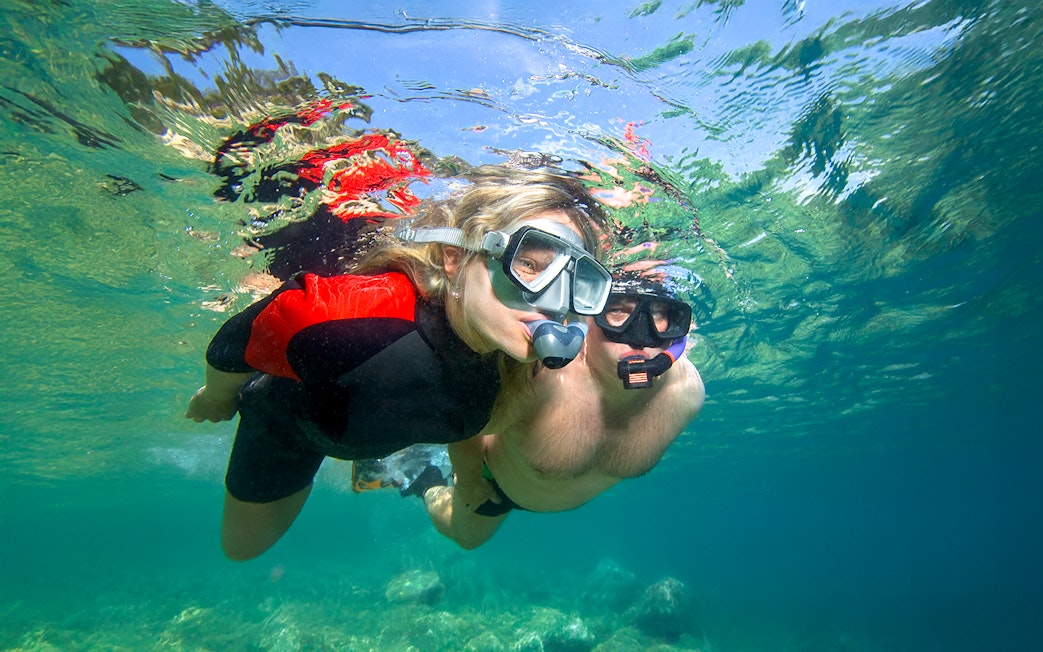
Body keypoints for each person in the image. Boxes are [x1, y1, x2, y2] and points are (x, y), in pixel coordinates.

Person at [185, 167, 614, 560]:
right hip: (291, 428)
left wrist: (467, 483)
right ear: (455, 257)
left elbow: (468, 422)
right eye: (529, 264)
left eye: (571, 281)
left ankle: (398, 471)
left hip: (379, 426)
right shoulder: (346, 319)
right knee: (242, 548)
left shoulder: (526, 361)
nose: (552, 301)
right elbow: (237, 340)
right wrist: (217, 397)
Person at [422, 274, 705, 549]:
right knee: (466, 538)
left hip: (544, 493)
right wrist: (469, 484)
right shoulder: (537, 379)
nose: (640, 336)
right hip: (494, 486)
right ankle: (427, 484)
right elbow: (464, 428)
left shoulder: (686, 394)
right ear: (585, 317)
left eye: (658, 314)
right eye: (618, 310)